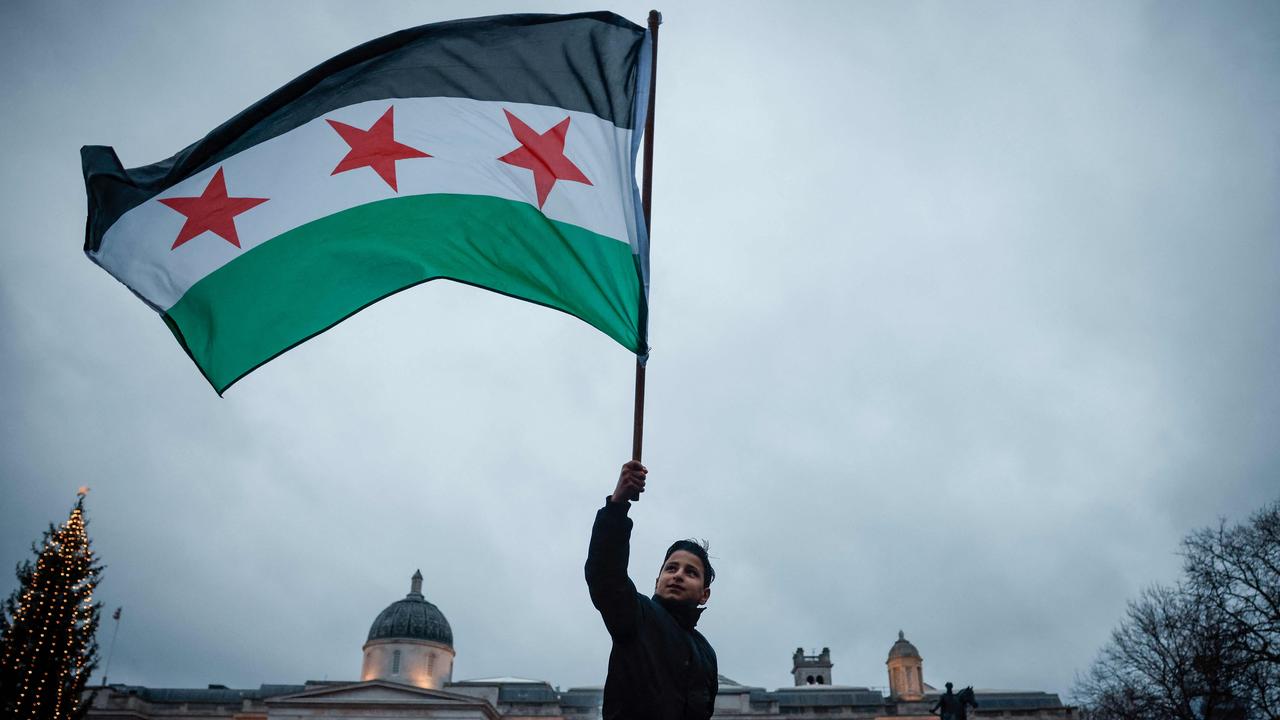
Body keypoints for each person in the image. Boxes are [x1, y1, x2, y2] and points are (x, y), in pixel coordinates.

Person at [585, 460, 719, 720]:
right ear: (657, 581)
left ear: (704, 594)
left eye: (690, 572)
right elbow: (606, 575)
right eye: (671, 569)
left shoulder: (707, 653)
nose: (678, 575)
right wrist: (617, 505)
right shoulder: (638, 616)